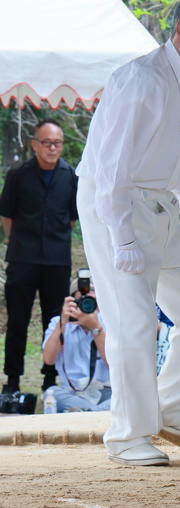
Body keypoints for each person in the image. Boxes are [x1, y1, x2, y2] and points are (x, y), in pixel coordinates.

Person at [74, 0, 180, 466]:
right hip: (115, 202)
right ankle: (127, 434)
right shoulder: (142, 80)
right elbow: (111, 168)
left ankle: (170, 408)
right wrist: (121, 236)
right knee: (134, 318)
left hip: (161, 202)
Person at [0, 118, 78, 395]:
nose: (52, 148)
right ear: (35, 145)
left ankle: (50, 380)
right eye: (47, 143)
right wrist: (21, 242)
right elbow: (7, 216)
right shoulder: (18, 174)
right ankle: (12, 382)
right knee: (17, 322)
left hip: (57, 261)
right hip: (23, 258)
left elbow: (71, 219)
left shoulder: (70, 176)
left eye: (57, 143)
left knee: (55, 321)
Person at [41, 276, 111, 413]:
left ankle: (84, 413)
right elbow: (49, 359)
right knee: (53, 393)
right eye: (84, 298)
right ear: (72, 300)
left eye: (93, 298)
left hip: (106, 391)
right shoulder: (58, 323)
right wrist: (63, 321)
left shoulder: (109, 322)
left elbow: (113, 363)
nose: (88, 303)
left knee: (126, 397)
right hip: (74, 393)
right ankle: (96, 412)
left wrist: (95, 328)